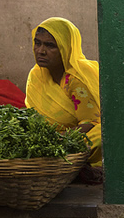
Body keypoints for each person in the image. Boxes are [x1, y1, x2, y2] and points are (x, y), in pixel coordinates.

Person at [25, 17, 103, 184]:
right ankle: (73, 165)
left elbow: (90, 121)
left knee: (101, 136)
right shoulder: (36, 76)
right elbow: (32, 116)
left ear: (66, 48)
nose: (41, 50)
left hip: (78, 134)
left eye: (50, 45)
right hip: (53, 137)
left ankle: (78, 163)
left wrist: (61, 139)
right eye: (37, 43)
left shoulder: (75, 79)